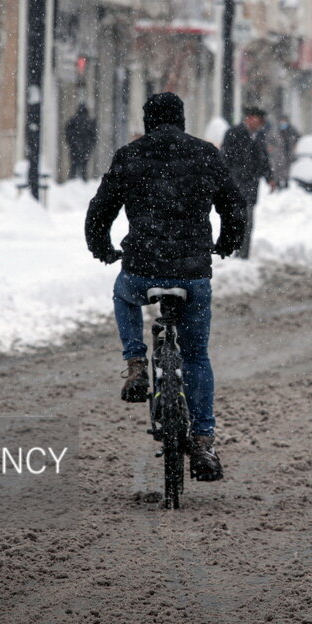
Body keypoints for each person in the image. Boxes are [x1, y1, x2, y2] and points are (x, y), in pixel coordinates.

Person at [85, 93, 246, 481]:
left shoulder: (129, 155)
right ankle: (204, 441)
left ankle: (136, 363)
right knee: (196, 357)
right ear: (182, 119)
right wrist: (225, 243)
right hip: (192, 272)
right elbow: (234, 206)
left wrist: (103, 248)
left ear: (147, 120)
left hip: (143, 267)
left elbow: (100, 209)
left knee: (123, 293)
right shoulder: (205, 154)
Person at [221, 106, 275, 258]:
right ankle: (233, 250)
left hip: (251, 185)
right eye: (259, 120)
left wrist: (270, 178)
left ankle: (243, 254)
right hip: (235, 184)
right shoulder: (233, 134)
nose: (261, 124)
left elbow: (263, 160)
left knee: (248, 221)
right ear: (250, 118)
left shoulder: (259, 136)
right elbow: (225, 159)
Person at [64, 103, 97, 181]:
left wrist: (72, 143)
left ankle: (72, 181)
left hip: (74, 147)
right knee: (84, 167)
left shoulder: (73, 120)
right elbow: (93, 136)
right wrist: (90, 145)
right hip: (85, 148)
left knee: (73, 166)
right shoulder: (89, 121)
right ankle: (83, 182)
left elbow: (68, 133)